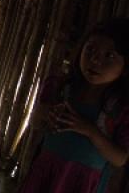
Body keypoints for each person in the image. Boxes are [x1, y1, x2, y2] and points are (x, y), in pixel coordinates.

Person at [19, 18, 129, 193]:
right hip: (46, 173)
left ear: (126, 66)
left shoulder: (121, 109)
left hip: (83, 183)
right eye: (90, 50)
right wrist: (46, 114)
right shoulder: (60, 87)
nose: (94, 60)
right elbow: (35, 121)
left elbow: (120, 158)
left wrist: (90, 130)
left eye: (109, 56)